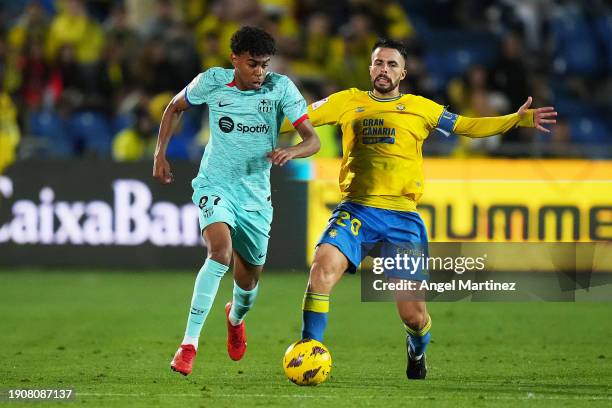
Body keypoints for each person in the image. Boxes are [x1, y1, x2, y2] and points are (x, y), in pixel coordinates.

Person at [281, 38, 556, 380]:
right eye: (379, 63)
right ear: (370, 68)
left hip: (402, 220)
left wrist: (517, 120)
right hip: (356, 210)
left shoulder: (421, 108)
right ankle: (309, 353)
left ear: (404, 73)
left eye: (392, 64)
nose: (384, 70)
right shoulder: (346, 101)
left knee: (413, 315)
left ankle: (416, 347)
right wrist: (251, 120)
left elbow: (466, 127)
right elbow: (298, 120)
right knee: (321, 271)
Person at [153, 26, 320, 376]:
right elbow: (174, 107)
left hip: (256, 197)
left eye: (264, 64)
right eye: (252, 64)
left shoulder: (281, 88)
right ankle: (188, 345)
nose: (260, 72)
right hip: (215, 184)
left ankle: (235, 317)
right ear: (235, 60)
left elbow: (313, 140)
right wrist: (160, 153)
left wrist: (291, 150)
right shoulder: (212, 82)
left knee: (248, 282)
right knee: (219, 252)